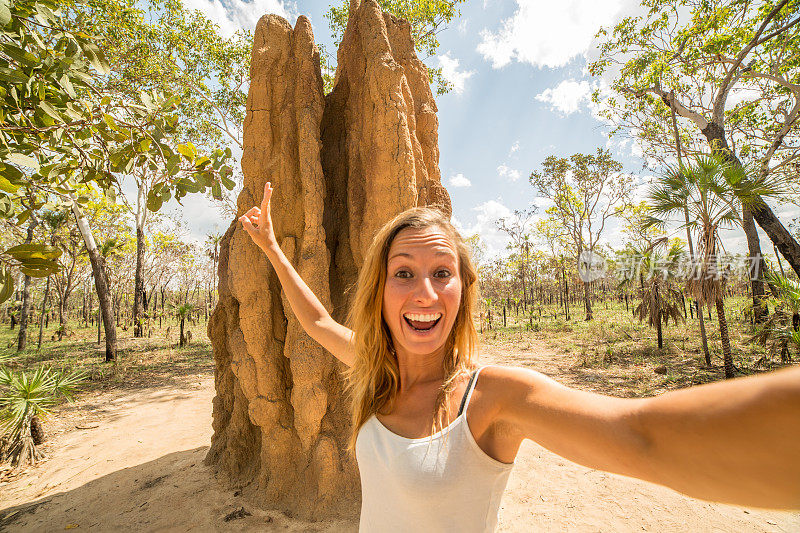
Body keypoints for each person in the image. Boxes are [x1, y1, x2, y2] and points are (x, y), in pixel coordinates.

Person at [239, 181, 800, 532]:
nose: (424, 294)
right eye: (403, 273)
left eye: (442, 275)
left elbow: (642, 437)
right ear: (380, 291)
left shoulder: (492, 399)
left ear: (464, 290)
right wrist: (270, 249)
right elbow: (316, 322)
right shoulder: (374, 371)